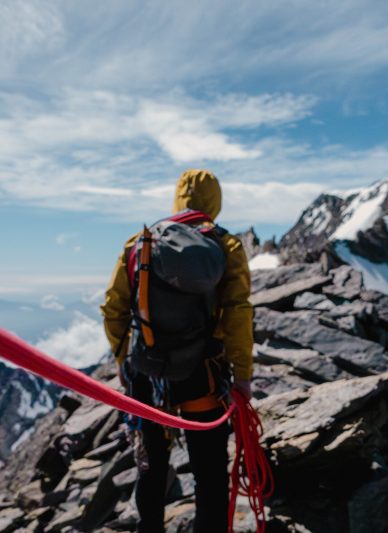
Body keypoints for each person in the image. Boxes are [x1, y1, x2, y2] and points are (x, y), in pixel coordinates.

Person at [100, 169, 253, 533]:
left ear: (177, 198)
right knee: (210, 475)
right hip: (203, 375)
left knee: (151, 468)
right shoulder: (226, 245)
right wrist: (243, 376)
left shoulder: (140, 242)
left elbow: (113, 309)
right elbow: (238, 314)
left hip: (148, 377)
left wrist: (125, 362)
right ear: (215, 201)